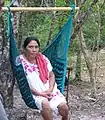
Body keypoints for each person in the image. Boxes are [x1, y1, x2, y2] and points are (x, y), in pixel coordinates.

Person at [20, 36, 68, 120]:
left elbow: (51, 75)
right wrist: (40, 94)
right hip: (34, 94)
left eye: (36, 47)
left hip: (50, 90)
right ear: (24, 48)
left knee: (64, 108)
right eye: (30, 47)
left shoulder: (43, 59)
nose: (34, 50)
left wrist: (50, 89)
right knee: (45, 104)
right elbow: (23, 84)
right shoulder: (20, 62)